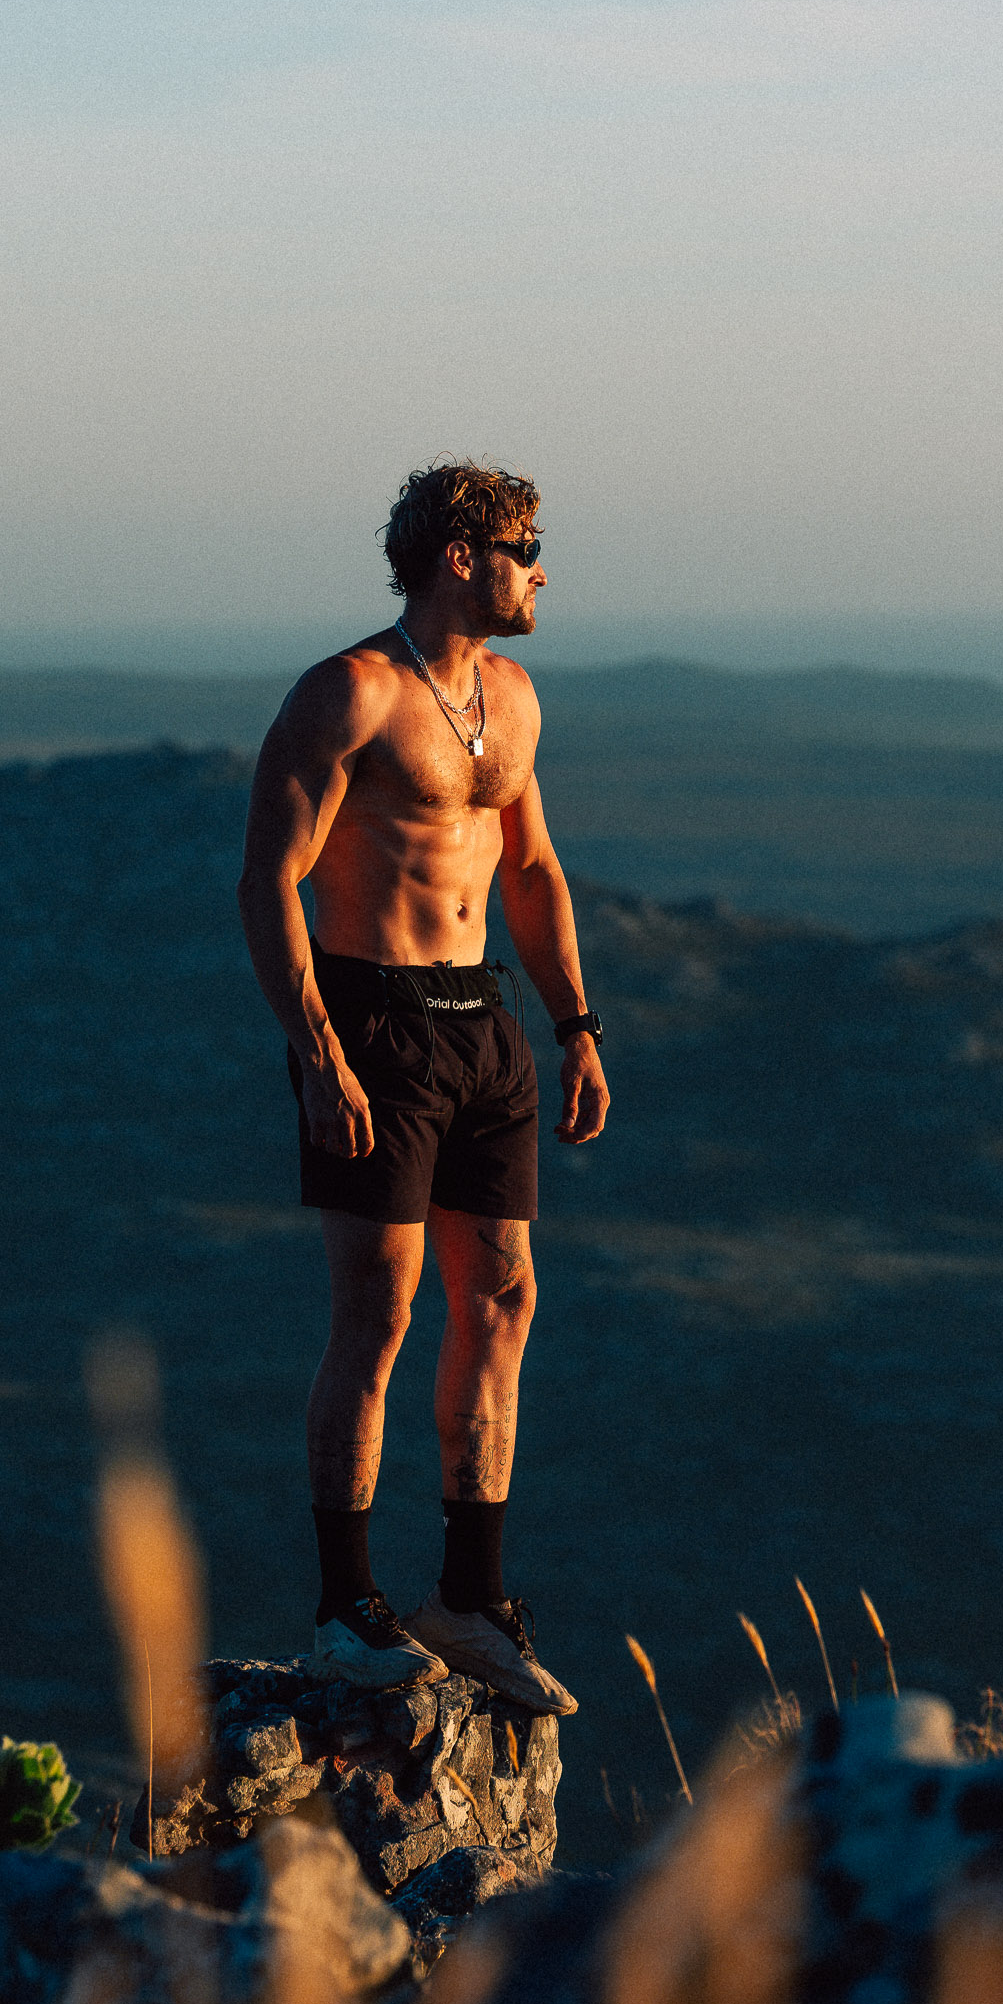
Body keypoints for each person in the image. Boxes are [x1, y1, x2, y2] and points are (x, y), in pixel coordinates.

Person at [235, 459, 609, 1713]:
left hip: (482, 1020)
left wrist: (576, 1026)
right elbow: (266, 883)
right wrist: (318, 1050)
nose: (541, 568)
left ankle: (468, 1597)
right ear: (461, 556)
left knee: (501, 1295)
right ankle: (347, 1607)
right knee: (379, 1316)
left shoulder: (512, 699)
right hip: (377, 1022)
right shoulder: (349, 692)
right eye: (525, 546)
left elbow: (535, 869)